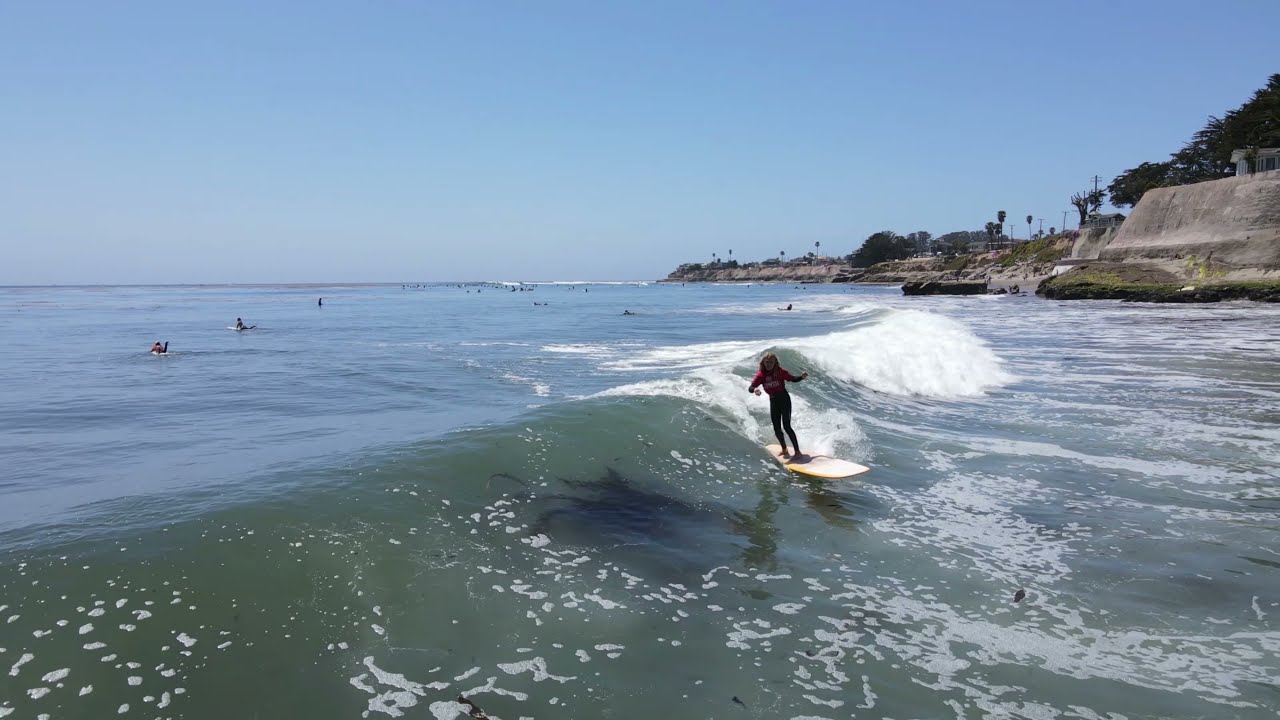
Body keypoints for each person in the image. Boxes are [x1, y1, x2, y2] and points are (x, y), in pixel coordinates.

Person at [748, 351, 808, 458]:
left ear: (775, 362)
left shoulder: (780, 372)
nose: (769, 364)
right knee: (776, 428)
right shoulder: (761, 375)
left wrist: (801, 377)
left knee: (787, 426)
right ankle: (784, 450)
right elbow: (750, 388)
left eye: (771, 362)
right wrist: (755, 389)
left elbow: (792, 379)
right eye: (767, 362)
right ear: (763, 363)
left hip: (784, 400)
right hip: (773, 401)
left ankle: (798, 452)